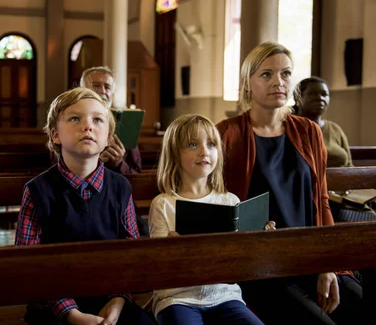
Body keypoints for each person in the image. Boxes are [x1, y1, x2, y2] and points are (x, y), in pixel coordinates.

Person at [216, 41, 363, 325]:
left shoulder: (307, 131)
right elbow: (217, 205)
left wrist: (328, 264)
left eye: (285, 74)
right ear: (248, 82)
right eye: (266, 74)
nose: (278, 82)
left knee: (360, 304)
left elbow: (321, 201)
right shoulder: (228, 133)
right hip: (263, 266)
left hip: (312, 256)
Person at [15, 87, 153, 325]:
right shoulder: (37, 191)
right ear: (55, 134)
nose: (88, 126)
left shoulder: (120, 188)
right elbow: (29, 268)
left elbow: (132, 256)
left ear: (108, 137)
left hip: (111, 298)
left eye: (97, 120)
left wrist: (118, 300)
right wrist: (72, 313)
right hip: (53, 304)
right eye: (75, 118)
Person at [149, 114, 266, 325]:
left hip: (225, 295)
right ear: (175, 153)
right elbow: (158, 266)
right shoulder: (163, 203)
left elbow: (242, 259)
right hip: (178, 298)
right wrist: (171, 249)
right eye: (193, 144)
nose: (204, 151)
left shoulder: (230, 201)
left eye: (211, 144)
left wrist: (261, 238)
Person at [80, 66, 142, 175]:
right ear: (81, 91)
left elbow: (136, 173)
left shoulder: (126, 124)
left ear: (112, 94)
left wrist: (119, 163)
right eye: (96, 86)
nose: (103, 91)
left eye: (107, 87)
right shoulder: (69, 121)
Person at [295, 76, 353, 168]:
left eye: (324, 94)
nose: (320, 98)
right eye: (312, 93)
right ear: (298, 98)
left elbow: (349, 166)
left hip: (342, 180)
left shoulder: (335, 129)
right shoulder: (290, 127)